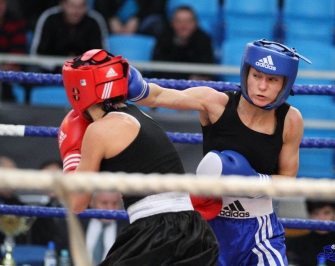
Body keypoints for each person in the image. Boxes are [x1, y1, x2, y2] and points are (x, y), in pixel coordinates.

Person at [127, 39, 310, 265]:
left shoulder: (291, 120)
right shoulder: (215, 103)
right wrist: (130, 83)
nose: (262, 86)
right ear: (246, 73)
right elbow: (157, 96)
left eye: (272, 80)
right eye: (257, 76)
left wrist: (254, 182)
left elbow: (288, 181)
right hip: (207, 228)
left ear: (284, 84)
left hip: (259, 231)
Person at [57, 49, 219, 265]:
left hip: (159, 231)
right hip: (191, 229)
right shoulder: (139, 114)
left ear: (76, 88)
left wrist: (71, 158)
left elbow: (77, 204)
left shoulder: (99, 131)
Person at [29, 0, 108, 74]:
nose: (76, 11)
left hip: (86, 73)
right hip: (50, 72)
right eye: (72, 6)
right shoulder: (49, 18)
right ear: (62, 5)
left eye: (80, 7)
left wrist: (82, 67)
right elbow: (37, 54)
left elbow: (101, 55)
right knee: (32, 70)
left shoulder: (94, 21)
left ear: (87, 7)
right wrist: (58, 67)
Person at [285, 199, 335, 266]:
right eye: (316, 214)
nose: (322, 219)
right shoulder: (295, 245)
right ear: (309, 215)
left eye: (327, 213)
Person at [150, 5, 215, 81]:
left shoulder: (204, 39)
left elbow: (205, 73)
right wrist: (186, 77)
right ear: (172, 23)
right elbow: (157, 70)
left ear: (196, 23)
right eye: (179, 21)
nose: (183, 25)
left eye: (188, 21)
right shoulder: (164, 37)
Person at [82, 191, 128, 265]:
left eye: (115, 203)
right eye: (104, 203)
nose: (110, 208)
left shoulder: (127, 228)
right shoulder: (77, 222)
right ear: (92, 202)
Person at [0, 0, 27, 102]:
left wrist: (5, 67)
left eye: (1, 2)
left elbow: (18, 55)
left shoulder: (16, 22)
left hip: (9, 74)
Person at [94, 0, 167, 37]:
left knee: (158, 26)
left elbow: (156, 7)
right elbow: (99, 6)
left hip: (142, 24)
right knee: (94, 23)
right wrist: (110, 19)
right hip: (111, 25)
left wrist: (137, 18)